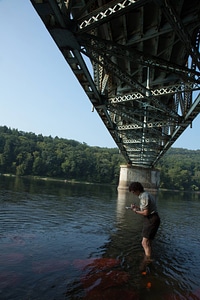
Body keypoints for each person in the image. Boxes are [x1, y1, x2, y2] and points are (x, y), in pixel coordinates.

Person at [129, 181, 160, 264]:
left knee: (144, 242)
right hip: (152, 218)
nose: (133, 193)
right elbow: (146, 208)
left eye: (133, 191)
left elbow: (146, 212)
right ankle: (148, 256)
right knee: (148, 242)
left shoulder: (144, 197)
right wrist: (137, 207)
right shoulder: (145, 194)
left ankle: (147, 260)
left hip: (151, 219)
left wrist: (135, 211)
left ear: (137, 190)